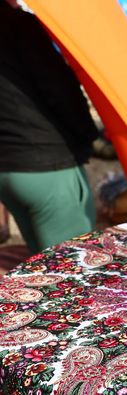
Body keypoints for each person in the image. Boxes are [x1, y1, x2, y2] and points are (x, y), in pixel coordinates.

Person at [0, 0, 98, 253]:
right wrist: (87, 135)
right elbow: (59, 88)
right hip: (46, 163)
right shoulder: (19, 25)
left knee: (43, 271)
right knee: (75, 269)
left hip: (9, 168)